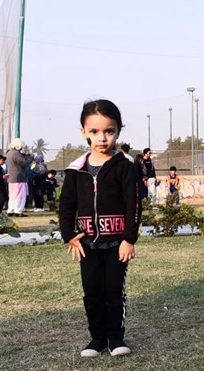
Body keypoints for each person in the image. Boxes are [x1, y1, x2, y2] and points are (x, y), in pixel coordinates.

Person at [58, 99, 141, 358]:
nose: (102, 138)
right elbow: (66, 206)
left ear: (118, 131)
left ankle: (116, 338)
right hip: (87, 246)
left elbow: (134, 205)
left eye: (109, 131)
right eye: (94, 132)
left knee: (114, 290)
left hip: (117, 244)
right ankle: (97, 338)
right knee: (92, 291)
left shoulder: (125, 167)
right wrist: (69, 236)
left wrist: (129, 238)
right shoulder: (76, 170)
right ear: (83, 131)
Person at [5, 139, 32, 217]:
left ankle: (11, 210)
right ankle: (18, 211)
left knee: (12, 195)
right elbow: (23, 163)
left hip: (11, 178)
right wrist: (30, 158)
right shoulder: (16, 153)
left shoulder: (9, 153)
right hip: (19, 178)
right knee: (20, 195)